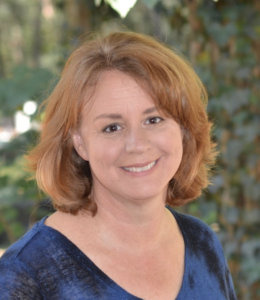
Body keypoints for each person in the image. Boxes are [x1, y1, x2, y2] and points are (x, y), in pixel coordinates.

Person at [0, 31, 237, 300]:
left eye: (154, 119)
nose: (137, 144)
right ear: (79, 142)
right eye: (112, 127)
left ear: (182, 128)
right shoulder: (27, 273)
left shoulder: (202, 243)